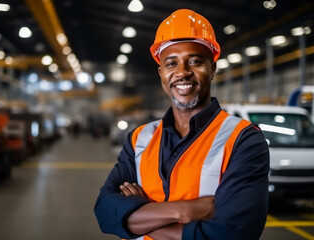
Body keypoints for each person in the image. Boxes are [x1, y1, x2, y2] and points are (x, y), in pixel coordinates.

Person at [94, 8, 269, 240]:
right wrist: (184, 210)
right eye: (171, 63)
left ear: (212, 69)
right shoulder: (139, 139)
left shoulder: (243, 139)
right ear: (161, 73)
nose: (182, 72)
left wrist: (140, 217)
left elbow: (234, 233)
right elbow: (105, 213)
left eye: (195, 61)